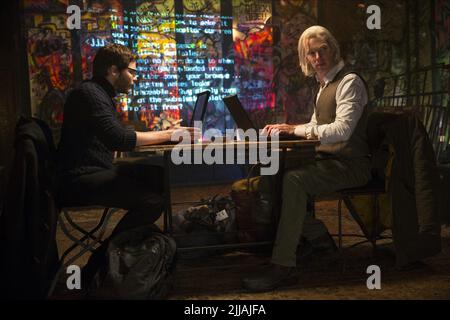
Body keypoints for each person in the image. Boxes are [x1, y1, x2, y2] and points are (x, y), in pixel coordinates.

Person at [242, 25, 372, 292]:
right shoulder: (323, 86)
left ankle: (283, 266)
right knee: (271, 168)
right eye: (310, 53)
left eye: (321, 50)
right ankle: (315, 237)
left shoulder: (349, 82)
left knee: (294, 182)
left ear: (332, 48)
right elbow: (315, 125)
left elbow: (342, 130)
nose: (317, 58)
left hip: (353, 165)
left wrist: (294, 129)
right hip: (330, 162)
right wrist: (288, 129)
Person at [56, 43, 195, 234]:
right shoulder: (89, 94)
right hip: (78, 180)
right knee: (152, 202)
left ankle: (146, 243)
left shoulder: (98, 93)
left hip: (95, 171)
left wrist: (166, 133)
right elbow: (118, 139)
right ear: (113, 70)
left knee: (159, 176)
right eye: (131, 72)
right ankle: (108, 257)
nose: (135, 78)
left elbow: (119, 135)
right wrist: (170, 134)